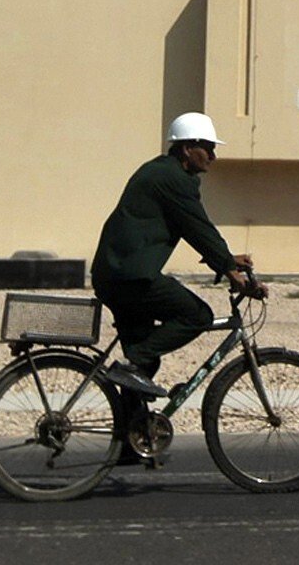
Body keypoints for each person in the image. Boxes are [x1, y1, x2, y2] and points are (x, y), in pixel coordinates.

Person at [91, 111, 256, 399]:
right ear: (187, 148)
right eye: (208, 148)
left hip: (115, 275)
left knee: (143, 367)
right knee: (197, 315)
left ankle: (131, 440)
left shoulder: (161, 171)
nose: (213, 157)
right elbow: (197, 227)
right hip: (130, 278)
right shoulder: (172, 178)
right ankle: (131, 366)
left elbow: (193, 228)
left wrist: (228, 258)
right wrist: (231, 270)